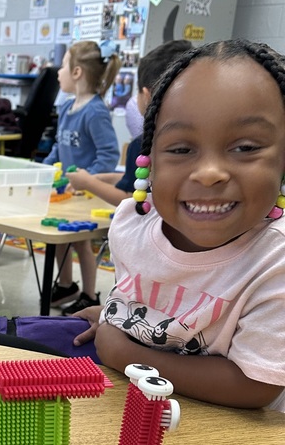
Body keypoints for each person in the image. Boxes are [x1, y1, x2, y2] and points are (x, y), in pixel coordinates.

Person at [72, 38, 285, 412]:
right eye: (182, 149)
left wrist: (124, 352)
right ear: (149, 160)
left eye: (246, 147)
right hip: (131, 420)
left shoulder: (275, 262)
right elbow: (153, 299)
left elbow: (254, 385)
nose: (209, 173)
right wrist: (115, 316)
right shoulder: (133, 224)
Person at [43, 40, 121, 314]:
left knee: (81, 241)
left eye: (63, 65)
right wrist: (45, 167)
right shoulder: (66, 107)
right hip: (65, 190)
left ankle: (89, 294)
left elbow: (109, 153)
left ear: (77, 72)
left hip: (86, 194)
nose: (58, 72)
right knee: (62, 236)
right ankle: (66, 286)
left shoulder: (95, 111)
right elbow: (58, 147)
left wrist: (90, 183)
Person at [66, 40, 193, 207]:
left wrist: (89, 183)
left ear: (147, 96)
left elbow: (130, 198)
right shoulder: (195, 141)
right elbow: (144, 179)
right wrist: (103, 178)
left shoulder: (143, 145)